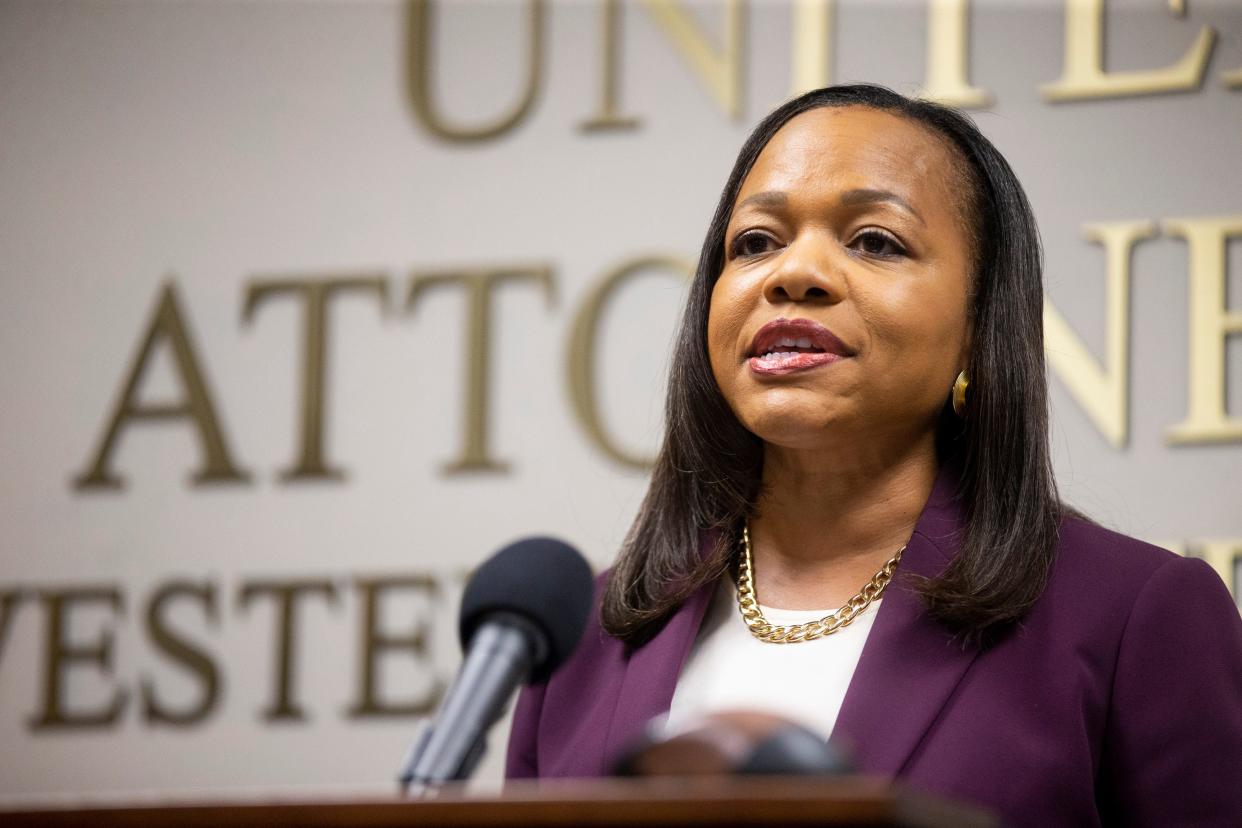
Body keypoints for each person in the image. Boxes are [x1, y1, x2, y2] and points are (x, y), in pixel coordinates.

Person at [505, 84, 1242, 826]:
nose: (795, 275)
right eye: (756, 242)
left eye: (874, 241)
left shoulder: (1133, 618)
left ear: (978, 327)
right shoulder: (582, 641)